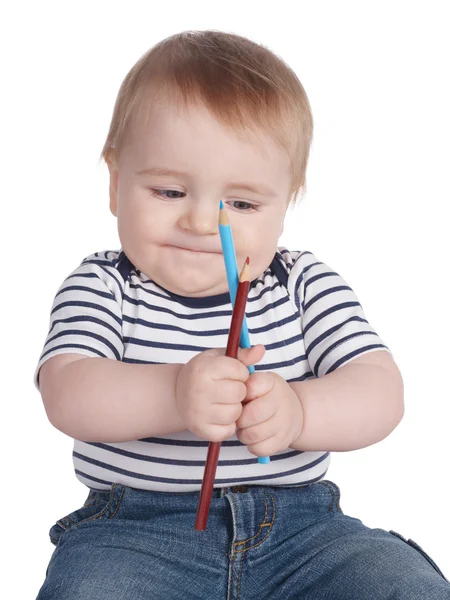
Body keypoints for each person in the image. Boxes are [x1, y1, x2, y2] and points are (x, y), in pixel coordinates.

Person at [34, 30, 450, 599]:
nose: (205, 222)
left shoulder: (302, 282)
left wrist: (301, 409)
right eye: (168, 192)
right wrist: (174, 393)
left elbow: (381, 392)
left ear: (288, 200)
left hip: (305, 537)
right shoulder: (104, 285)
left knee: (402, 584)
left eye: (243, 203)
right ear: (114, 182)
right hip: (134, 537)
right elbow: (68, 393)